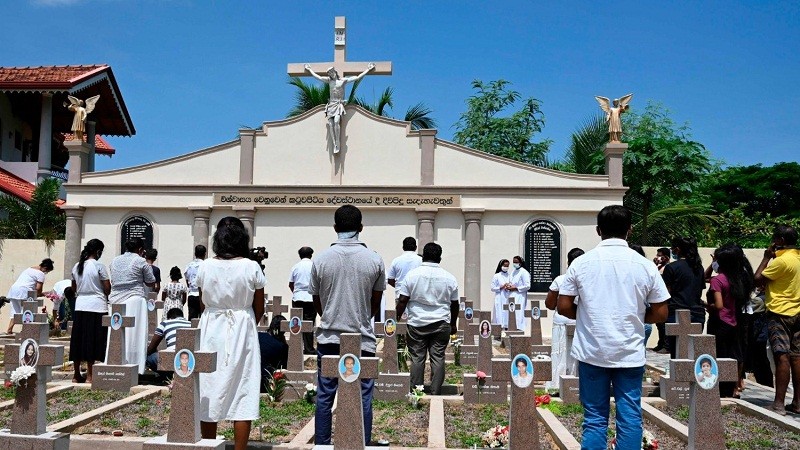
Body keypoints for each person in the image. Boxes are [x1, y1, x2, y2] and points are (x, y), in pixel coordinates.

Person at [557, 205, 669, 450]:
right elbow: (661, 311)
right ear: (630, 230)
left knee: (595, 418)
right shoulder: (645, 265)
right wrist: (635, 317)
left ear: (598, 230)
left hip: (592, 350)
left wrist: (590, 316)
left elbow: (563, 306)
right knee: (630, 416)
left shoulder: (581, 263)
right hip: (629, 352)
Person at [309, 204, 386, 446]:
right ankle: (361, 441)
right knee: (363, 395)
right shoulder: (374, 259)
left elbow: (317, 300)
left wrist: (331, 316)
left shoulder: (320, 259)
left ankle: (322, 443)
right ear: (361, 227)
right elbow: (375, 302)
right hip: (362, 337)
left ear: (335, 227)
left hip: (330, 337)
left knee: (325, 395)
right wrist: (360, 316)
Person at [197, 217, 265, 450]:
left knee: (209, 385)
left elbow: (201, 300)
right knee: (243, 388)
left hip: (211, 327)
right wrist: (246, 321)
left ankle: (208, 444)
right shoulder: (251, 267)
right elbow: (259, 306)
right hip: (242, 326)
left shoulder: (204, 266)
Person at [396, 242, 459, 395]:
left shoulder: (412, 275)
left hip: (417, 323)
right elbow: (455, 304)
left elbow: (403, 300)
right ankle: (436, 391)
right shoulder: (449, 278)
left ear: (423, 256)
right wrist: (453, 324)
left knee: (417, 358)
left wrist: (397, 317)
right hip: (441, 323)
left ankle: (417, 391)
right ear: (440, 258)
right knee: (438, 357)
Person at [754, 225, 800, 415]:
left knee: (781, 356)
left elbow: (757, 279)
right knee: (797, 357)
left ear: (779, 240)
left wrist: (766, 257)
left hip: (780, 313)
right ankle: (797, 402)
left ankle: (779, 404)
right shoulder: (797, 258)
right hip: (798, 311)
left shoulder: (781, 262)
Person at [705, 243, 754, 398]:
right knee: (732, 355)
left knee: (717, 354)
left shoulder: (718, 280)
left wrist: (707, 305)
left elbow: (719, 305)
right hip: (733, 321)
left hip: (719, 322)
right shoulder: (739, 279)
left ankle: (718, 387)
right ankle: (730, 388)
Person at [304, 63, 376, 153]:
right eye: (329, 73)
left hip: (338, 104)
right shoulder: (329, 81)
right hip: (331, 105)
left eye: (332, 72)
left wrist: (367, 70)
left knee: (336, 121)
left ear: (335, 72)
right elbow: (318, 77)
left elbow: (357, 78)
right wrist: (309, 70)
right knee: (331, 124)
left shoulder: (342, 81)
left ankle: (337, 141)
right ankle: (335, 143)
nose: (331, 74)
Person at [109, 238, 156, 374]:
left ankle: (115, 361)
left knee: (117, 333)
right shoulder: (140, 261)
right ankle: (135, 364)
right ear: (141, 250)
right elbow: (151, 281)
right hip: (134, 299)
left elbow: (113, 280)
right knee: (135, 335)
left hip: (116, 301)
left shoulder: (115, 260)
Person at [69, 239, 110, 383]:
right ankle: (90, 376)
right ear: (97, 251)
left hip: (80, 305)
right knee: (92, 339)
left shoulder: (76, 266)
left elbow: (73, 288)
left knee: (78, 340)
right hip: (97, 306)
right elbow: (107, 288)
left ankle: (76, 374)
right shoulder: (99, 266)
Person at [544, 247, 583, 391]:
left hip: (562, 320)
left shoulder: (560, 280)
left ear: (568, 262)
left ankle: (556, 385)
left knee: (560, 354)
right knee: (577, 356)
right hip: (580, 322)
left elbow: (549, 304)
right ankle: (576, 387)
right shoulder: (588, 280)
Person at [662, 236, 707, 359]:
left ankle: (679, 378)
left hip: (676, 314)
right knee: (692, 354)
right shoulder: (699, 268)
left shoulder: (671, 268)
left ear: (677, 249)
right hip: (697, 314)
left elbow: (666, 293)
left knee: (677, 355)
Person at [5, 258, 54, 334]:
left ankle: (9, 329)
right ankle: (25, 331)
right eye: (47, 271)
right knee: (27, 312)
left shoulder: (29, 269)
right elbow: (38, 288)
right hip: (24, 292)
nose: (46, 273)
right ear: (45, 268)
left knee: (15, 312)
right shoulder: (40, 274)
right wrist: (42, 294)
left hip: (14, 291)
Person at [145, 307, 191, 375]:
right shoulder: (191, 324)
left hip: (171, 360)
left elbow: (151, 348)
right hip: (189, 360)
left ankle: (168, 375)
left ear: (170, 317)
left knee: (148, 357)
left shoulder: (165, 323)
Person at [289, 246, 316, 354]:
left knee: (297, 323)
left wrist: (296, 292)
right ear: (311, 255)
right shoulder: (314, 266)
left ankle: (296, 348)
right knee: (309, 324)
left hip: (298, 298)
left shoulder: (295, 267)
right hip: (310, 297)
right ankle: (309, 348)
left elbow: (291, 284)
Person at [388, 237, 423, 320]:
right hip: (417, 296)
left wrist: (400, 286)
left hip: (400, 296)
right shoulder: (421, 260)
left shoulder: (396, 261)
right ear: (415, 247)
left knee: (401, 325)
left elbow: (390, 280)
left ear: (403, 247)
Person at [651, 247, 673, 354]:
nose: (658, 257)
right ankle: (660, 343)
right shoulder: (657, 268)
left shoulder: (668, 268)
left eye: (660, 255)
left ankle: (666, 345)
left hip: (666, 299)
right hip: (657, 298)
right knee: (659, 324)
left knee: (664, 324)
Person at [258, 315, 289, 383]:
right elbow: (283, 367)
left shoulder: (258, 336)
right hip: (266, 382)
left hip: (251, 377)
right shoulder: (281, 346)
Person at [507, 256, 531, 331]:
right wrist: (508, 285)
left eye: (516, 262)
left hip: (519, 296)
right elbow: (511, 281)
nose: (515, 264)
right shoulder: (513, 271)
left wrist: (516, 288)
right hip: (511, 295)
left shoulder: (524, 272)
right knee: (511, 312)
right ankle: (511, 328)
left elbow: (527, 286)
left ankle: (519, 329)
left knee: (518, 313)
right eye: (514, 262)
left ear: (520, 263)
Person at [184, 244, 207, 320]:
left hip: (191, 295)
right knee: (203, 319)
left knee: (192, 320)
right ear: (204, 254)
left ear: (195, 253)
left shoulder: (189, 266)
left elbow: (187, 282)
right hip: (203, 295)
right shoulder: (206, 265)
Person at [490, 259, 512, 328]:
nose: (506, 267)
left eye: (507, 266)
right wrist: (501, 287)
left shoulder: (510, 276)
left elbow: (513, 285)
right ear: (501, 265)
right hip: (499, 297)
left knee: (506, 313)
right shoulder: (497, 276)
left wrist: (509, 287)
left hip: (507, 297)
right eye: (504, 265)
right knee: (499, 313)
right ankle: (499, 329)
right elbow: (492, 288)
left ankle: (506, 327)